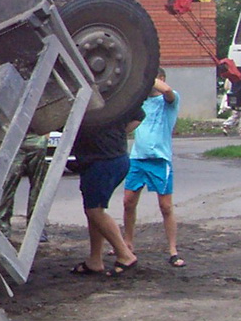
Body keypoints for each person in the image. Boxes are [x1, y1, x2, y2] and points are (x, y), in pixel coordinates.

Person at [122, 71, 183, 267]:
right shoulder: (140, 103)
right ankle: (127, 243)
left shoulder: (169, 102)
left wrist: (146, 73)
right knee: (128, 202)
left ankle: (173, 250)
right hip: (138, 158)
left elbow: (167, 91)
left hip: (160, 159)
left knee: (165, 206)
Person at [69, 113, 141, 276]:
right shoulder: (113, 98)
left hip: (104, 159)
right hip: (110, 157)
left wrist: (110, 135)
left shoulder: (98, 99)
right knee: (93, 210)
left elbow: (138, 115)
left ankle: (125, 255)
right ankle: (95, 260)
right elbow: (138, 116)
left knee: (95, 211)